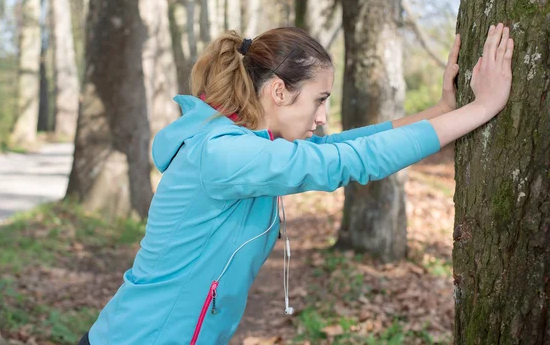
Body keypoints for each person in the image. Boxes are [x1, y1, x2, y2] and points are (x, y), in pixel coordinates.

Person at [80, 24, 514, 344]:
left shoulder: (246, 144)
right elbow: (350, 161)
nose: (322, 117)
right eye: (319, 100)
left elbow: (344, 144)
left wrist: (441, 110)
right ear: (279, 92)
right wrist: (487, 105)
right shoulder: (225, 154)